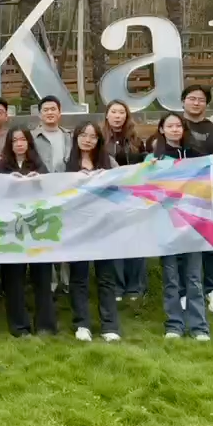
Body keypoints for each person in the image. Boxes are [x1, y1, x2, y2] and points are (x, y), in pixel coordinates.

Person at [146, 112, 213, 342]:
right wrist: (149, 169)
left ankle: (199, 327)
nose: (175, 129)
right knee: (171, 277)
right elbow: (143, 186)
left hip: (193, 225)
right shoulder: (154, 158)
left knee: (194, 277)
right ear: (161, 129)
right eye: (170, 126)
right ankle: (174, 325)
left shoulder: (196, 155)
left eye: (178, 126)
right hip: (166, 224)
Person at [0, 127, 57, 337]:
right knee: (13, 280)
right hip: (12, 231)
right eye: (15, 140)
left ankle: (45, 325)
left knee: (42, 278)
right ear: (9, 144)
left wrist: (39, 182)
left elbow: (51, 195)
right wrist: (8, 184)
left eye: (23, 140)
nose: (19, 144)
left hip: (37, 229)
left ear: (29, 142)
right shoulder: (2, 168)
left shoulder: (39, 166)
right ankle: (19, 326)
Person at [65, 121, 121, 343]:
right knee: (78, 277)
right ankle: (82, 324)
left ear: (99, 140)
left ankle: (110, 325)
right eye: (83, 135)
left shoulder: (109, 163)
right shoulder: (65, 164)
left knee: (106, 277)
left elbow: (125, 184)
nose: (87, 140)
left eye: (92, 136)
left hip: (103, 227)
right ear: (76, 137)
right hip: (77, 228)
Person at [181, 85, 213, 315]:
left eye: (201, 99)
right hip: (180, 197)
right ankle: (185, 292)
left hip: (210, 195)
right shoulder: (175, 126)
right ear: (183, 101)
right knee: (183, 245)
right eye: (191, 98)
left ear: (206, 104)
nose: (196, 103)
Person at [102, 99, 149, 301]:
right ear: (107, 115)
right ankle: (117, 286)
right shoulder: (100, 139)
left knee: (135, 240)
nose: (117, 116)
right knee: (114, 241)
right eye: (114, 112)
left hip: (133, 196)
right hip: (109, 197)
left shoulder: (136, 140)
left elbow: (145, 163)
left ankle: (135, 286)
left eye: (121, 112)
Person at [32, 95, 73, 294]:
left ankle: (67, 280)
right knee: (45, 235)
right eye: (45, 109)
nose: (49, 113)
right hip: (40, 192)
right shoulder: (32, 137)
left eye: (53, 109)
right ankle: (51, 281)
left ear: (59, 112)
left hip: (66, 191)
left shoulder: (69, 136)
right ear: (40, 114)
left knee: (65, 234)